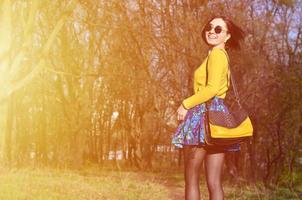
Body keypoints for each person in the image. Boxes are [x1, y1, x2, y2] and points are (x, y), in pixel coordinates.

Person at [172, 16, 245, 200]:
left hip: (202, 117)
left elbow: (211, 89)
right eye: (210, 27)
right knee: (214, 182)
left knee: (192, 178)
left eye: (219, 29)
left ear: (227, 36)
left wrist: (185, 104)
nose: (212, 31)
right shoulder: (221, 55)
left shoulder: (216, 55)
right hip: (218, 120)